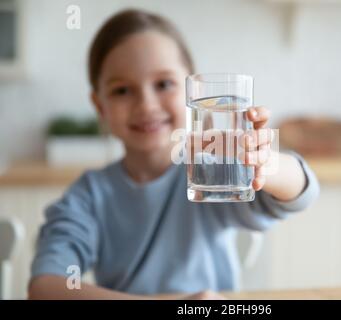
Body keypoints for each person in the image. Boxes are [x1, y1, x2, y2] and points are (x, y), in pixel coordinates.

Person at [28, 9, 320, 300]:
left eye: (164, 84)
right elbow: (45, 287)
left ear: (191, 90)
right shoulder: (88, 196)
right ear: (99, 106)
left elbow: (300, 192)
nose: (146, 105)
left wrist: (264, 163)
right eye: (122, 91)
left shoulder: (212, 173)